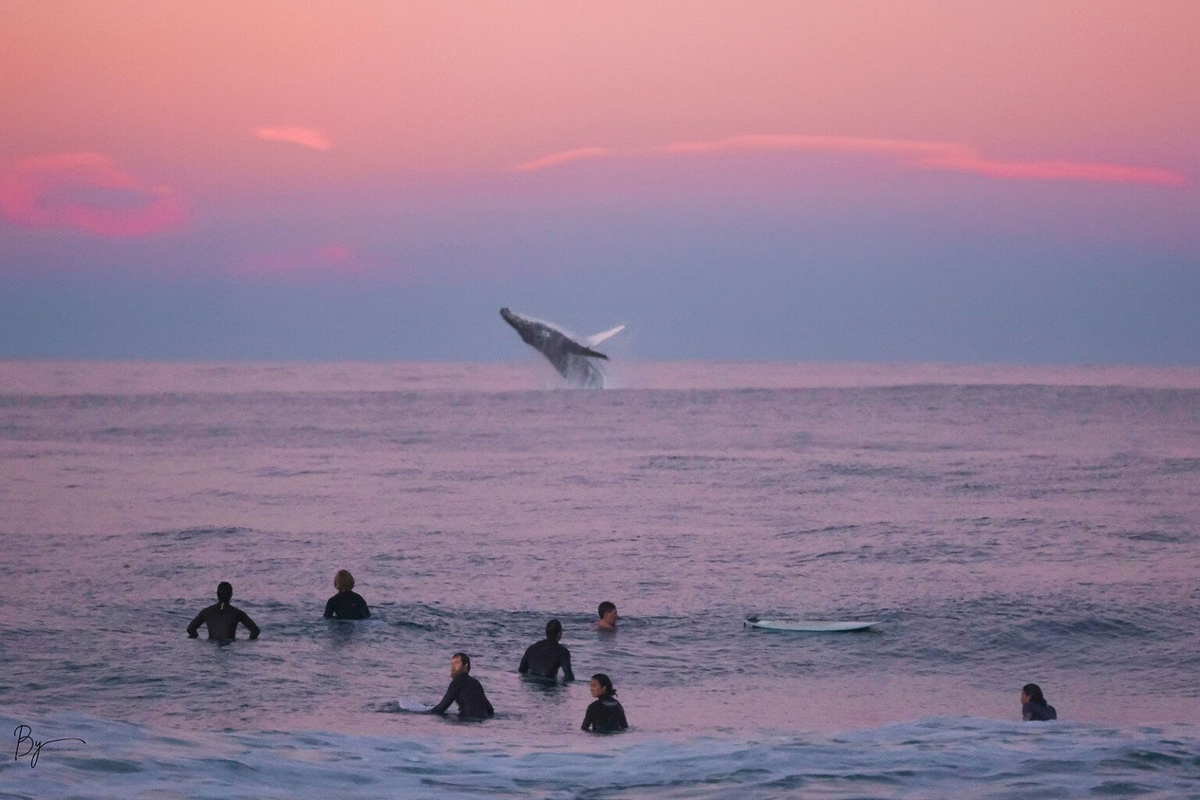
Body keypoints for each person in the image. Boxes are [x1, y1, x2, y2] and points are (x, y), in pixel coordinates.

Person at [428, 652, 494, 720]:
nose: (453, 668)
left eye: (456, 664)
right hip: (480, 722)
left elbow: (441, 708)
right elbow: (490, 710)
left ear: (465, 666)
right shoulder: (476, 683)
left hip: (465, 722)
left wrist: (421, 713)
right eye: (452, 664)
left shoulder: (457, 682)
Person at [187, 581, 260, 640]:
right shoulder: (237, 613)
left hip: (211, 647)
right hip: (230, 646)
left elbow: (190, 629)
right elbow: (255, 631)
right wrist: (246, 643)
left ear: (217, 594)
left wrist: (198, 639)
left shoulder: (206, 612)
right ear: (231, 594)